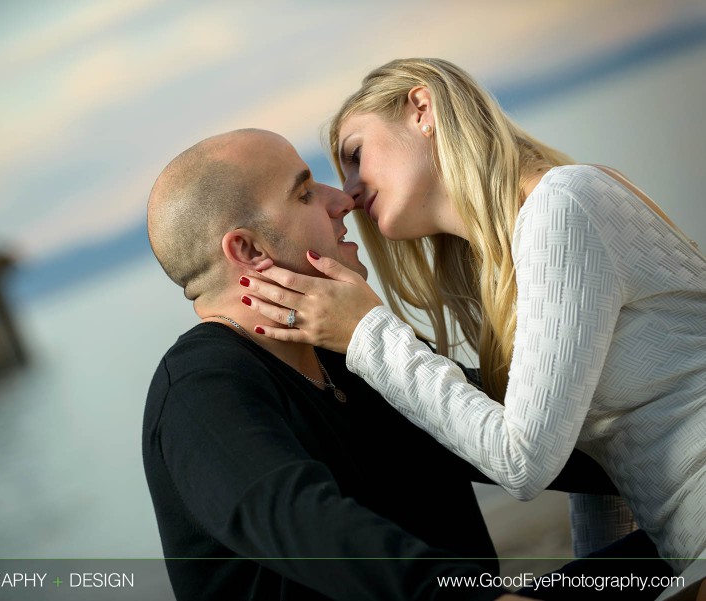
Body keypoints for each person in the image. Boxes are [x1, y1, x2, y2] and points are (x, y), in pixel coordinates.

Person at [236, 58, 706, 599]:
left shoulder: (562, 206)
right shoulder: (515, 257)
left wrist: (367, 331)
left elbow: (522, 461)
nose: (347, 192)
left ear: (421, 110)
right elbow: (600, 469)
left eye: (355, 155)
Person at [143, 128, 671, 601]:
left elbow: (534, 438)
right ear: (249, 250)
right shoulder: (201, 390)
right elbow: (304, 522)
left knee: (677, 553)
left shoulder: (346, 351)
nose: (341, 199)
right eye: (305, 193)